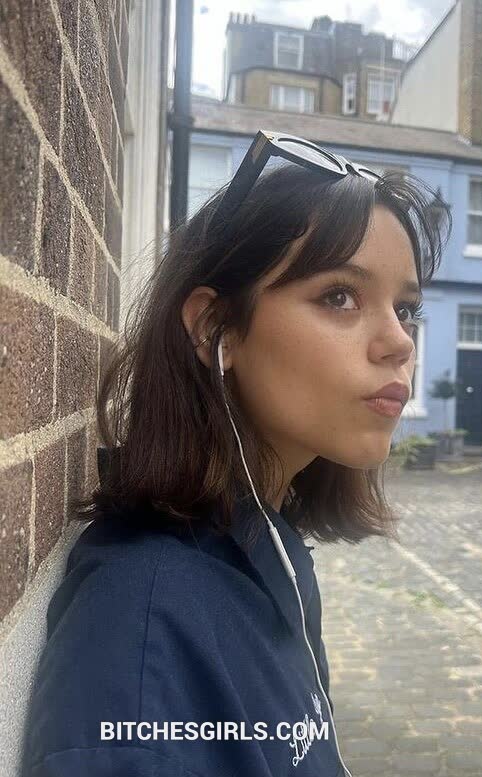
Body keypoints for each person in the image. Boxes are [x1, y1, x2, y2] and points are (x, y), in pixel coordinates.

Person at [19, 130, 451, 777]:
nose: (400, 341)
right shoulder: (144, 635)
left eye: (406, 307)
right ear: (215, 327)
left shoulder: (269, 547)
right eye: (339, 296)